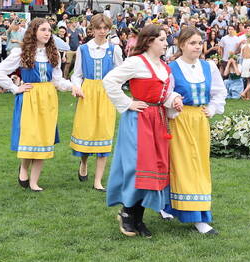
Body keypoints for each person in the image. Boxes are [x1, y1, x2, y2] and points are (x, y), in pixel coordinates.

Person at [102, 24, 184, 238]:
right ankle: (127, 213)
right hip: (138, 120)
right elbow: (110, 81)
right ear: (149, 41)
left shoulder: (164, 67)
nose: (167, 43)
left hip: (157, 119)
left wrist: (173, 101)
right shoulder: (136, 62)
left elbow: (163, 94)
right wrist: (128, 103)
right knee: (137, 166)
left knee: (153, 168)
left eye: (166, 39)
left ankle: (138, 217)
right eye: (163, 39)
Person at [0, 18, 73, 192]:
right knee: (30, 136)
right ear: (34, 32)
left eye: (49, 30)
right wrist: (15, 88)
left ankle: (34, 181)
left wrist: (73, 87)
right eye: (43, 29)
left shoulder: (54, 53)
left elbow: (57, 80)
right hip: (29, 98)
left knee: (43, 138)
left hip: (48, 99)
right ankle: (23, 168)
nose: (47, 33)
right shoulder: (21, 52)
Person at [164, 28, 226, 235]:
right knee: (182, 166)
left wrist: (213, 108)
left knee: (199, 166)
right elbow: (164, 94)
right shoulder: (171, 68)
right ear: (181, 44)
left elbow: (218, 91)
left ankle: (195, 211)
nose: (197, 47)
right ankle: (194, 216)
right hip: (179, 121)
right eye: (192, 43)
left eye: (200, 43)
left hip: (200, 121)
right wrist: (173, 100)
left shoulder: (209, 67)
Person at [70, 15, 124, 191]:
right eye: (99, 28)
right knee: (87, 131)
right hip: (88, 92)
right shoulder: (83, 49)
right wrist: (77, 87)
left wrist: (115, 88)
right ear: (92, 29)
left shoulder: (114, 50)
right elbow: (77, 73)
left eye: (105, 28)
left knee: (104, 132)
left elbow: (120, 73)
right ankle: (84, 163)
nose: (102, 32)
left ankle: (98, 180)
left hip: (106, 93)